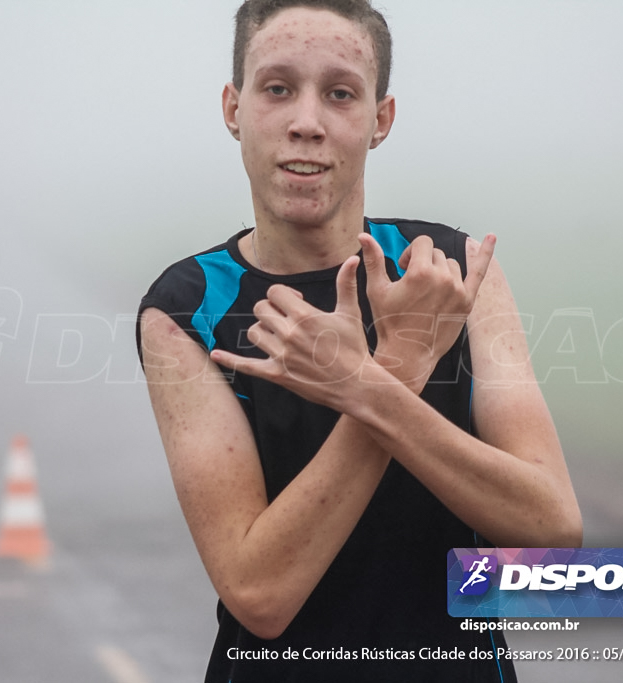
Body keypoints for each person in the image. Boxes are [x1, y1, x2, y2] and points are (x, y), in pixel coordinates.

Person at [138, 1, 582, 681]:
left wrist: (368, 383)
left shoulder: (456, 274)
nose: (307, 123)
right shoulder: (186, 309)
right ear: (234, 107)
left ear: (380, 119)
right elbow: (261, 595)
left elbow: (552, 533)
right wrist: (398, 367)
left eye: (340, 93)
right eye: (278, 88)